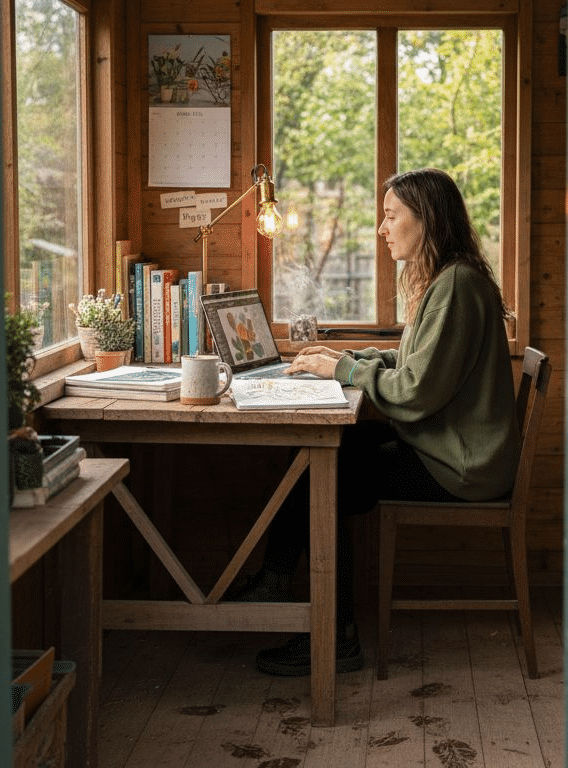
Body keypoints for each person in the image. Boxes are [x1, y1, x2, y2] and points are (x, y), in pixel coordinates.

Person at [233, 167, 521, 677]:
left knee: (330, 472)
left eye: (391, 216)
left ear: (426, 219)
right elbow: (413, 362)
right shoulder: (449, 279)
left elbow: (414, 391)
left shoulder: (456, 286)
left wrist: (342, 370)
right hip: (450, 450)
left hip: (462, 467)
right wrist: (343, 358)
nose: (382, 228)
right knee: (329, 458)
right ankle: (284, 588)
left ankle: (325, 627)